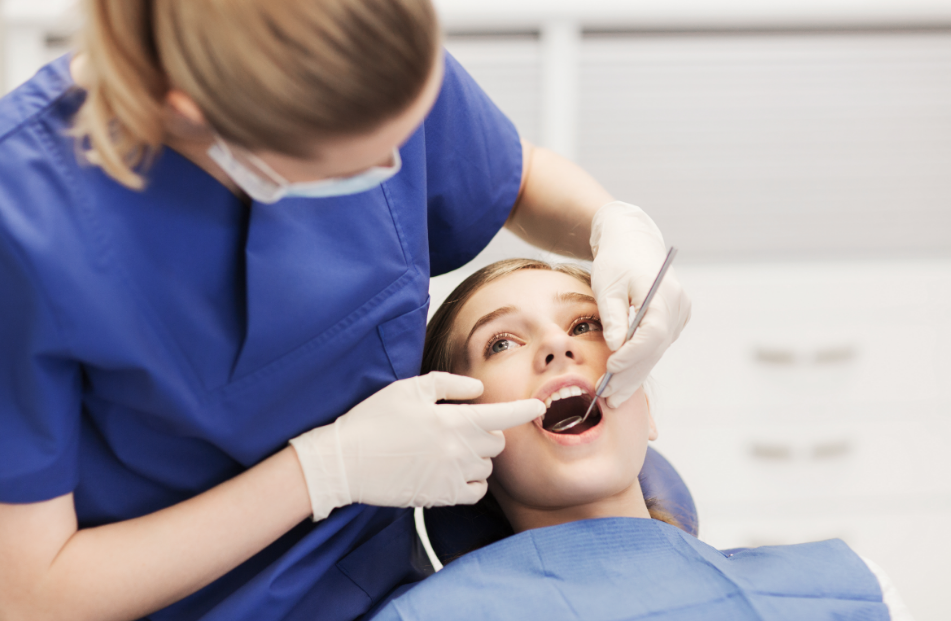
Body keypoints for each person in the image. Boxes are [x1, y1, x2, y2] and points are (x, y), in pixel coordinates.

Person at [0, 2, 693, 620]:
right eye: (351, 166)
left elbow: (513, 178)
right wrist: (323, 470)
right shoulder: (25, 228)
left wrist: (611, 222)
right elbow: (30, 594)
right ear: (191, 113)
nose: (399, 163)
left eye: (580, 323)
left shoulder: (356, 36)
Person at [370, 259, 913, 621]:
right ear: (460, 435)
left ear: (645, 409)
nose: (558, 344)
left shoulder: (849, 590)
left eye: (585, 324)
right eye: (502, 342)